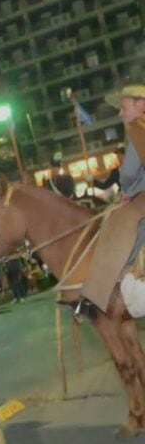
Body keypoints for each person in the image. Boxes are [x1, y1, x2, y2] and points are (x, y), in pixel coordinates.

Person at [80, 84, 145, 316]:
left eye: (123, 106)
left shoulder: (139, 129)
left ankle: (119, 282)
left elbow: (127, 173)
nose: (120, 112)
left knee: (120, 229)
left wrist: (128, 192)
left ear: (141, 103)